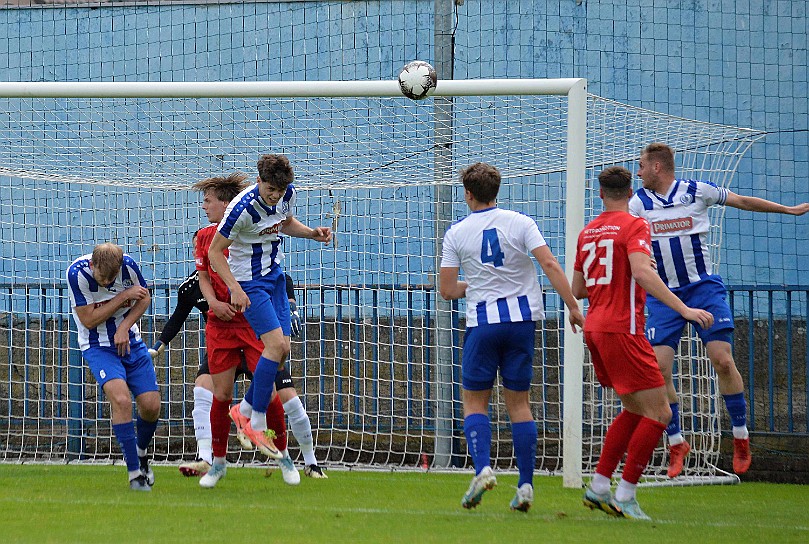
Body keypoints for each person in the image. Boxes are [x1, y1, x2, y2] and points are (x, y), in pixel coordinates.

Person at [629, 142, 809, 477]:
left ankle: (740, 436)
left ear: (657, 167)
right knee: (659, 370)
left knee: (723, 360)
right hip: (663, 295)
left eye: (641, 165)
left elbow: (741, 201)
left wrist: (788, 210)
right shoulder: (638, 202)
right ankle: (677, 442)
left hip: (703, 289)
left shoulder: (697, 191)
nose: (637, 172)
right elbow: (627, 238)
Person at [438, 162, 585, 512]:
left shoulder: (457, 233)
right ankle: (526, 486)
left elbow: (446, 290)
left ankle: (483, 468)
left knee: (475, 402)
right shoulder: (521, 223)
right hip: (522, 322)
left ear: (468, 194)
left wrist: (473, 286)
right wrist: (573, 306)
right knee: (519, 404)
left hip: (483, 323)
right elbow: (549, 264)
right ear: (497, 191)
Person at [573, 166, 714, 520]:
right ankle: (626, 494)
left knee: (635, 409)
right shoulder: (635, 224)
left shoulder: (588, 231)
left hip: (596, 328)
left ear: (599, 193)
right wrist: (684, 308)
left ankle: (600, 486)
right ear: (631, 191)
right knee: (662, 411)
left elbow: (577, 289)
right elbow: (641, 272)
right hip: (624, 328)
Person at [201, 157, 332, 488]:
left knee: (283, 349)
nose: (275, 196)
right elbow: (216, 254)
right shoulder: (240, 209)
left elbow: (285, 222)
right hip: (250, 284)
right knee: (274, 346)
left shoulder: (286, 195)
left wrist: (312, 234)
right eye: (271, 190)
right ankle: (250, 415)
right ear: (259, 182)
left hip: (274, 278)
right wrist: (234, 289)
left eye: (281, 190)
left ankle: (247, 410)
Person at [150, 259, 327, 481]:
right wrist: (157, 346)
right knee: (204, 389)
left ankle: (308, 461)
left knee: (287, 398)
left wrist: (290, 306)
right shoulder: (192, 286)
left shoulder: (243, 266)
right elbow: (177, 319)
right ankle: (207, 459)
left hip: (256, 339)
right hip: (224, 342)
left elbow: (282, 279)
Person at [66, 243, 161, 491]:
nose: (107, 282)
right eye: (102, 278)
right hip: (98, 347)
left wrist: (123, 327)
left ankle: (140, 453)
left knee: (151, 406)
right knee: (120, 400)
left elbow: (144, 298)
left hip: (131, 342)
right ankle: (134, 475)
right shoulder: (77, 273)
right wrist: (121, 297)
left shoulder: (128, 266)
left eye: (112, 279)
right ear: (92, 265)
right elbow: (88, 320)